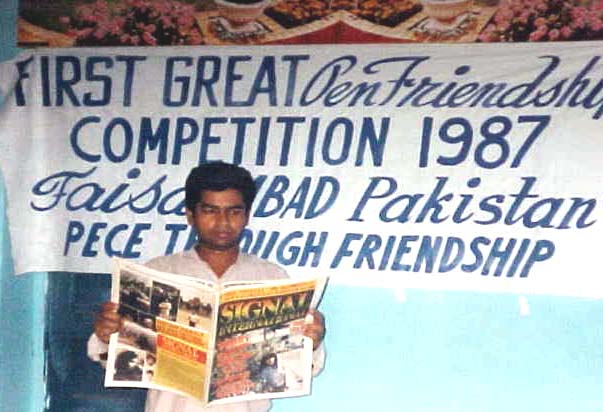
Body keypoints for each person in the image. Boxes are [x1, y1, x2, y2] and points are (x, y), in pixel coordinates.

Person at [89, 162, 326, 412]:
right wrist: (107, 334)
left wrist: (311, 341)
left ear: (246, 216)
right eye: (210, 211)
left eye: (234, 211)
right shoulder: (157, 272)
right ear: (191, 215)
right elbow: (114, 359)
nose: (223, 222)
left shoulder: (272, 277)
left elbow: (299, 368)